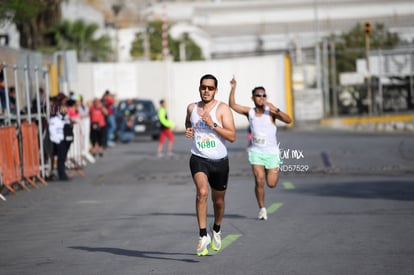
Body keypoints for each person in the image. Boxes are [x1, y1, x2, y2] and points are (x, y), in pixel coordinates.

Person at [184, 74, 236, 256]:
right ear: (199, 88)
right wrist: (189, 130)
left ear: (216, 90)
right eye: (203, 87)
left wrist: (212, 124)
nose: (206, 91)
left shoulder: (222, 109)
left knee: (218, 201)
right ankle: (202, 234)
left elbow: (232, 136)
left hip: (220, 162)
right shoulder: (192, 107)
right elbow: (187, 124)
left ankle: (217, 228)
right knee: (202, 192)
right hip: (199, 158)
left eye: (210, 88)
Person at [228, 76, 292, 221]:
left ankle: (273, 171)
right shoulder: (249, 112)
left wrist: (276, 109)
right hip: (256, 152)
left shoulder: (271, 113)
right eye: (258, 95)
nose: (261, 98)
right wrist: (233, 88)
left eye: (264, 95)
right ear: (253, 98)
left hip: (272, 153)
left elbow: (288, 120)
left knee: (271, 184)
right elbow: (232, 105)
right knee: (259, 180)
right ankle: (262, 209)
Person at [48, 103, 73, 181]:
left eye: (65, 108)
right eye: (63, 108)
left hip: (66, 141)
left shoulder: (67, 119)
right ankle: (61, 174)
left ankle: (62, 172)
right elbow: (52, 131)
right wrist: (57, 141)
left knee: (63, 157)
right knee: (61, 158)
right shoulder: (54, 120)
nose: (64, 110)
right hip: (59, 141)